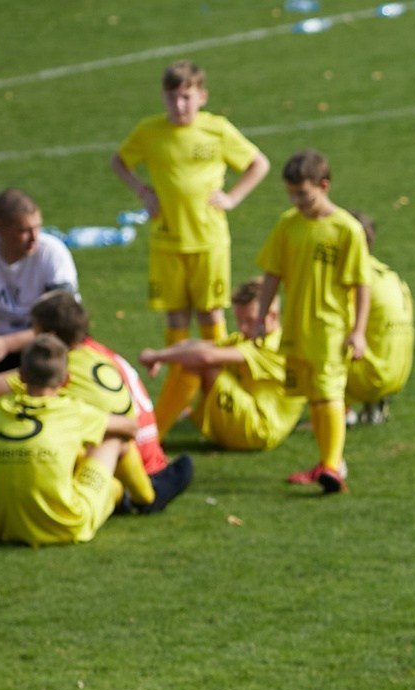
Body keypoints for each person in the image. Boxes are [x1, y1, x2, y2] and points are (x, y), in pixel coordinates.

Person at [113, 58, 268, 426]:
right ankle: (178, 394)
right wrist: (142, 192)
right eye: (172, 97)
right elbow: (119, 161)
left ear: (202, 96)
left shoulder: (217, 130)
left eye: (186, 97)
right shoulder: (150, 131)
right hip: (167, 242)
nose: (179, 105)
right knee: (176, 315)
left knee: (212, 314)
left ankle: (215, 390)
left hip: (209, 241)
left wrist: (232, 198)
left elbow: (258, 163)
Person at [253, 150, 372, 494]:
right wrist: (261, 317)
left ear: (324, 186)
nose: (297, 201)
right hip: (296, 327)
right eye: (291, 193)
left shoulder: (346, 229)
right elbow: (272, 273)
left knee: (329, 392)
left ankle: (334, 465)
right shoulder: (288, 224)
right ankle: (327, 461)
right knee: (314, 397)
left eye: (303, 194)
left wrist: (359, 332)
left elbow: (360, 285)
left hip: (330, 328)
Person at [18, 292, 192, 515]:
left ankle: (130, 496)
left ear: (50, 334)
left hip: (126, 458)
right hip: (150, 456)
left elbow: (5, 385)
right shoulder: (98, 354)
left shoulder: (66, 364)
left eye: (34, 330)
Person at [0, 336, 137, 546]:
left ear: (21, 376)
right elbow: (130, 427)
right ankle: (144, 499)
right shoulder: (71, 411)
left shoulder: (2, 407)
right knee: (113, 440)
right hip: (66, 525)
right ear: (65, 380)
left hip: (4, 525)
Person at [141, 280, 306, 453]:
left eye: (249, 320)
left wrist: (157, 356)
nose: (243, 328)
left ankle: (150, 438)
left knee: (201, 364)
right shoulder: (251, 338)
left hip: (259, 432)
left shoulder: (275, 346)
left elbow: (206, 356)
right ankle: (151, 435)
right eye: (239, 320)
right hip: (245, 423)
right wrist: (161, 355)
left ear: (272, 315)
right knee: (195, 357)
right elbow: (198, 345)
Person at [0, 189, 78, 375]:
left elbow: (62, 326)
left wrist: (6, 344)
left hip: (43, 345)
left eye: (37, 227)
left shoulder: (53, 254)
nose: (34, 237)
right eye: (24, 231)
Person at [343, 209, 413, 426]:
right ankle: (372, 404)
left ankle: (340, 412)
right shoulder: (389, 274)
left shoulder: (352, 279)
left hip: (372, 376)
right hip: (397, 374)